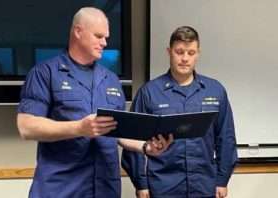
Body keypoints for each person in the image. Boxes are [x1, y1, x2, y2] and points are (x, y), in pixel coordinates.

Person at [17, 7, 173, 198]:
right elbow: (27, 127)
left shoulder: (111, 80)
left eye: (106, 37)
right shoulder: (45, 73)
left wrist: (144, 147)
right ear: (78, 31)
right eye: (99, 36)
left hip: (104, 188)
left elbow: (118, 132)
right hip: (61, 188)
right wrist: (79, 128)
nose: (104, 43)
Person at [122, 26, 238, 198]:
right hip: (162, 187)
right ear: (169, 52)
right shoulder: (149, 92)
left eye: (191, 53)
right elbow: (132, 138)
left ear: (198, 53)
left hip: (204, 186)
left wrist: (222, 179)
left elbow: (226, 138)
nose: (185, 58)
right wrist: (141, 183)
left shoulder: (215, 90)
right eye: (179, 52)